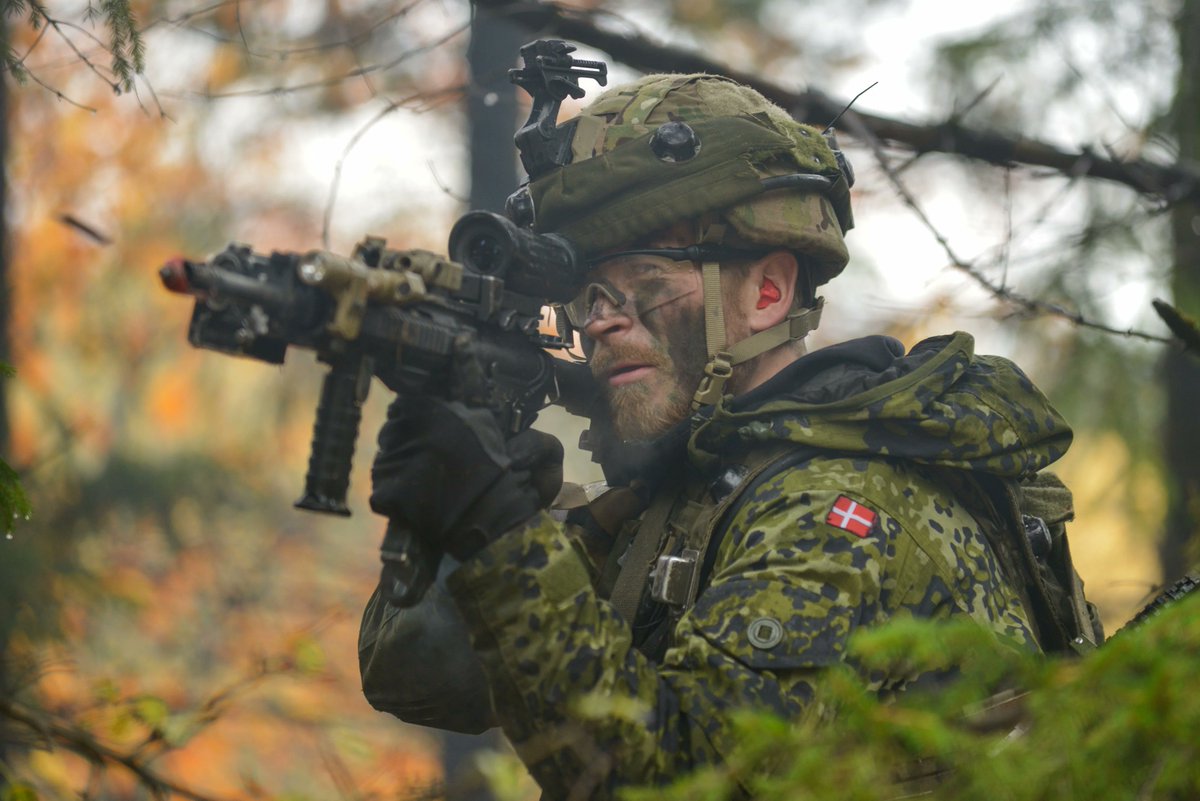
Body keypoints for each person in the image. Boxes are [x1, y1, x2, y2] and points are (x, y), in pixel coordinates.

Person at [358, 73, 1102, 799]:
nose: (599, 321)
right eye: (586, 294)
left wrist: (501, 530)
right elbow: (418, 674)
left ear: (766, 292)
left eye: (642, 278)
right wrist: (464, 510)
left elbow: (678, 779)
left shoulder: (838, 506)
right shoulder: (688, 484)